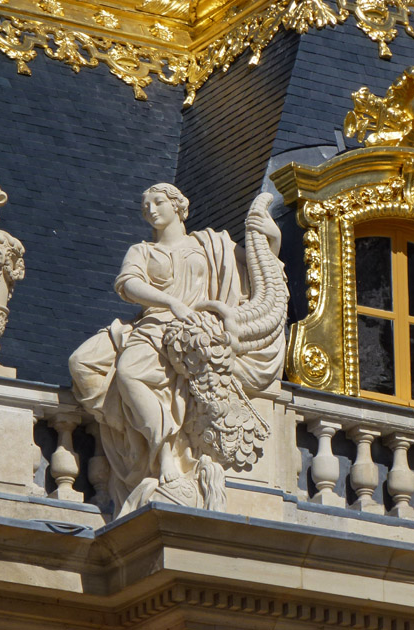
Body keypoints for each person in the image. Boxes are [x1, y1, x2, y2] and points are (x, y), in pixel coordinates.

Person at [69, 183, 284, 516]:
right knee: (84, 363)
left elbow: (259, 270)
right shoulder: (141, 251)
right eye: (145, 205)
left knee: (128, 373)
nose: (150, 209)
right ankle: (153, 445)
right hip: (153, 326)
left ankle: (166, 453)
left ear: (179, 206)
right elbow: (128, 284)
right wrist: (170, 301)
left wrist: (271, 239)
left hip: (194, 336)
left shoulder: (212, 245)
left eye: (158, 202)